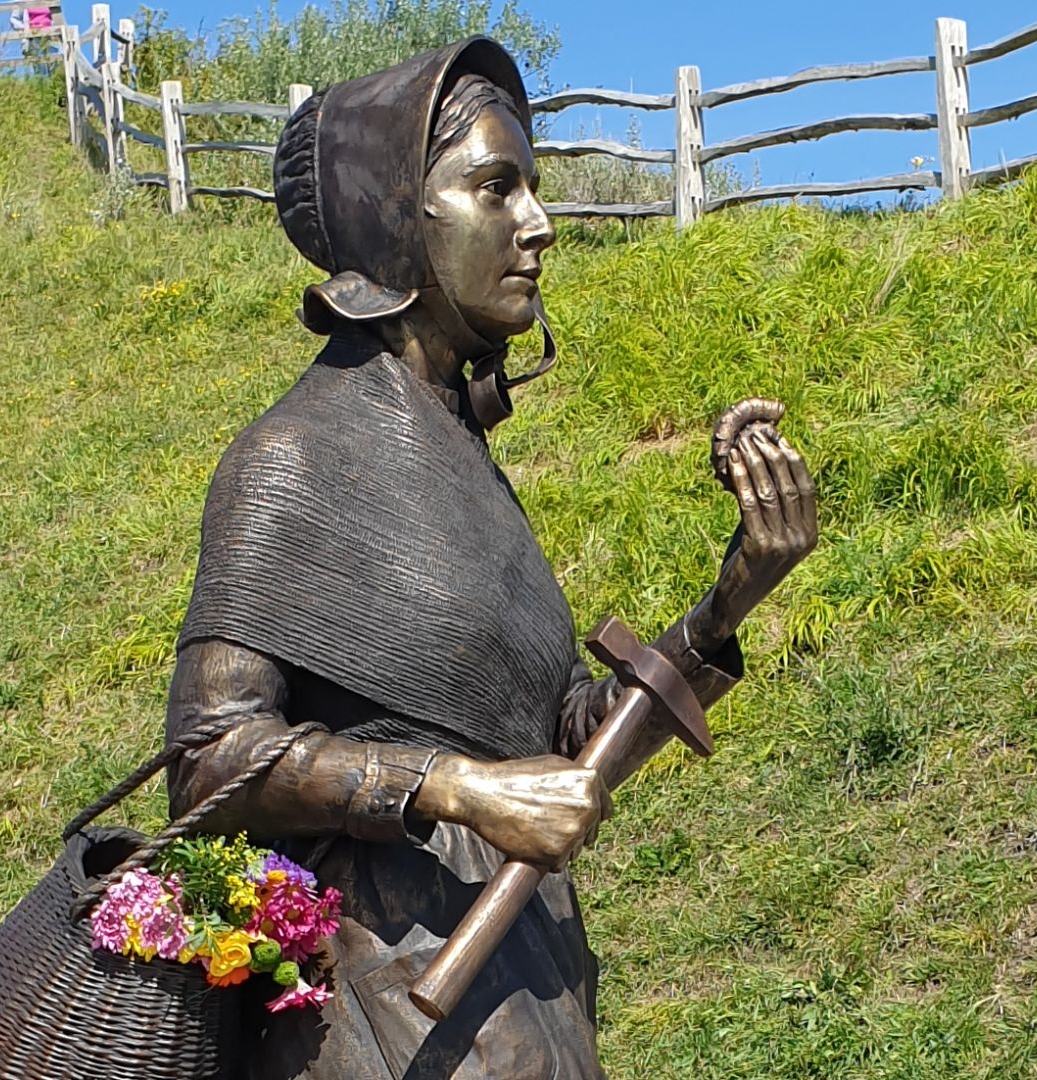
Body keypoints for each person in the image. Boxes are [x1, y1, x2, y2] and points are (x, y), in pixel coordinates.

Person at [165, 37, 819, 1079]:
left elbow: (566, 746)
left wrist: (732, 598)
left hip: (524, 976)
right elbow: (211, 763)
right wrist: (456, 790)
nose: (539, 225)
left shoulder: (462, 459)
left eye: (534, 190)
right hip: (382, 1009)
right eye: (494, 188)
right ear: (396, 219)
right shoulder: (290, 459)